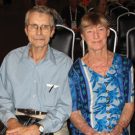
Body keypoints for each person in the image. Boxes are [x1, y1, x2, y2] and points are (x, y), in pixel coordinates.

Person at [0, 5, 72, 135]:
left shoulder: (65, 64)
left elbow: (65, 106)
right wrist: (12, 121)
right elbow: (2, 98)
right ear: (26, 30)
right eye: (34, 26)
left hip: (53, 124)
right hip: (16, 120)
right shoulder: (11, 60)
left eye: (44, 27)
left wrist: (39, 127)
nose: (39, 32)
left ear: (52, 31)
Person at [68, 12, 134, 135]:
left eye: (100, 29)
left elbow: (129, 104)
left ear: (108, 32)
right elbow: (73, 112)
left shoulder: (125, 65)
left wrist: (118, 129)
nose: (96, 36)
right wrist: (91, 133)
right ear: (82, 36)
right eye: (89, 31)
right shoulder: (76, 71)